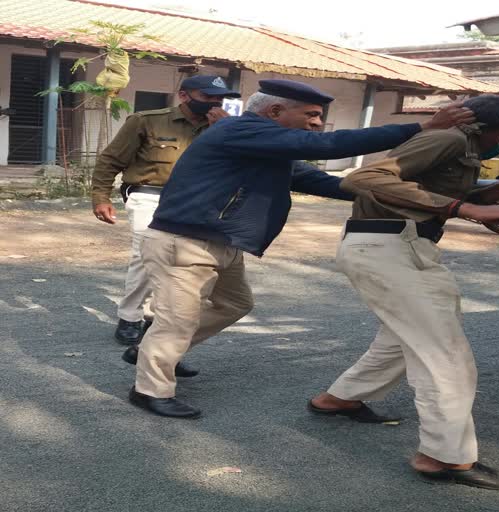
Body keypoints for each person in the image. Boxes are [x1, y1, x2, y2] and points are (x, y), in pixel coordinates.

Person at [124, 79, 476, 418]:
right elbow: (330, 146)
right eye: (311, 116)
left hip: (218, 242)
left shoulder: (264, 145)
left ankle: (153, 350)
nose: (318, 124)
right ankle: (151, 390)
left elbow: (313, 179)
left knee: (235, 304)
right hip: (184, 243)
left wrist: (379, 188)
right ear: (276, 111)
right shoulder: (239, 131)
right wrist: (421, 127)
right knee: (177, 321)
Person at [308, 95, 499, 490]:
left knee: (403, 337)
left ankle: (339, 399)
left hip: (402, 247)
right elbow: (363, 180)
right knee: (445, 353)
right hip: (387, 248)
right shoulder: (451, 139)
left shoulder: (463, 148)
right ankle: (443, 457)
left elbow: (430, 196)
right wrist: (468, 210)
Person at [91, 75, 240, 345]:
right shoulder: (147, 120)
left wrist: (226, 131)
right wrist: (100, 196)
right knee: (146, 254)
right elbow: (111, 159)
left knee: (183, 260)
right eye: (207, 97)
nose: (215, 103)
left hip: (197, 200)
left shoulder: (223, 126)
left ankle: (158, 319)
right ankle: (130, 316)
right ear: (184, 96)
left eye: (219, 98)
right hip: (148, 195)